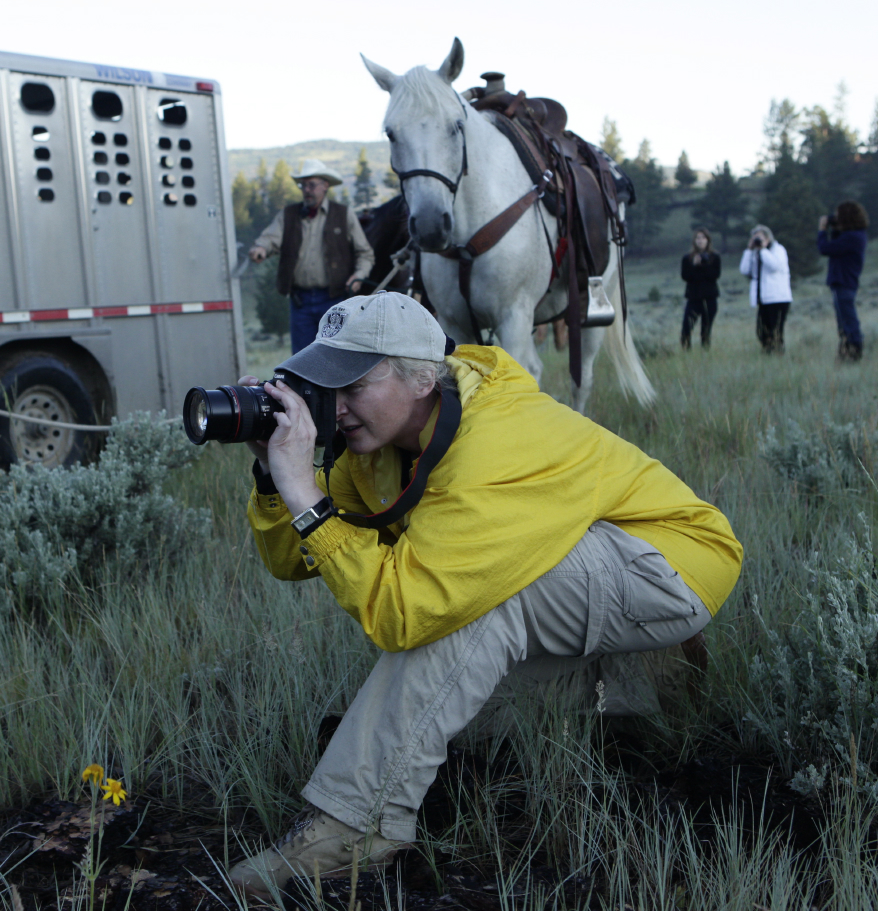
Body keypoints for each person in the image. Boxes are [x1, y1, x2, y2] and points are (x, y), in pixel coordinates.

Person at [226, 291, 742, 897]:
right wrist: (274, 476)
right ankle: (634, 688)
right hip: (587, 556)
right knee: (462, 589)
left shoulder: (493, 443)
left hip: (668, 564)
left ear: (421, 379)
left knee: (468, 601)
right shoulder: (377, 447)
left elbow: (405, 614)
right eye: (324, 385)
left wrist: (308, 497)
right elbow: (293, 561)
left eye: (353, 386)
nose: (333, 407)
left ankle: (358, 825)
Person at [248, 160, 375, 353]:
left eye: (311, 185)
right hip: (301, 301)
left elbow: (365, 253)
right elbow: (270, 238)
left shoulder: (343, 214)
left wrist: (359, 275)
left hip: (334, 298)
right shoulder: (289, 215)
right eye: (303, 185)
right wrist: (260, 249)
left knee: (335, 355)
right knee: (302, 358)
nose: (306, 190)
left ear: (325, 186)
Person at [815, 201, 869, 361]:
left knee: (847, 320)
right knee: (843, 321)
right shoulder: (854, 235)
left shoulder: (852, 237)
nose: (835, 217)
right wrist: (835, 227)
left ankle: (853, 350)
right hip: (844, 281)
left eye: (838, 215)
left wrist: (822, 230)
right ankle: (847, 351)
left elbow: (825, 248)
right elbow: (837, 243)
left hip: (844, 281)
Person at [738, 224, 793, 353]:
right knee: (761, 330)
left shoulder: (778, 250)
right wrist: (749, 251)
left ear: (768, 238)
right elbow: (744, 270)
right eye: (755, 238)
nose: (757, 241)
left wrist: (763, 250)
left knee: (775, 330)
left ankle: (777, 353)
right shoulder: (755, 253)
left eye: (760, 238)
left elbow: (775, 266)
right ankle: (767, 351)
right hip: (763, 298)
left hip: (778, 297)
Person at [679, 227, 721, 349]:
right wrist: (694, 265)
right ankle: (686, 351)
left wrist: (704, 266)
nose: (700, 241)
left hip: (710, 298)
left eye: (703, 238)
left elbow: (715, 275)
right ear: (694, 241)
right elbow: (685, 276)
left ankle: (705, 353)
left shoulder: (714, 257)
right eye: (698, 238)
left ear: (708, 240)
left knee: (706, 329)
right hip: (693, 298)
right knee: (686, 328)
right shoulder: (687, 258)